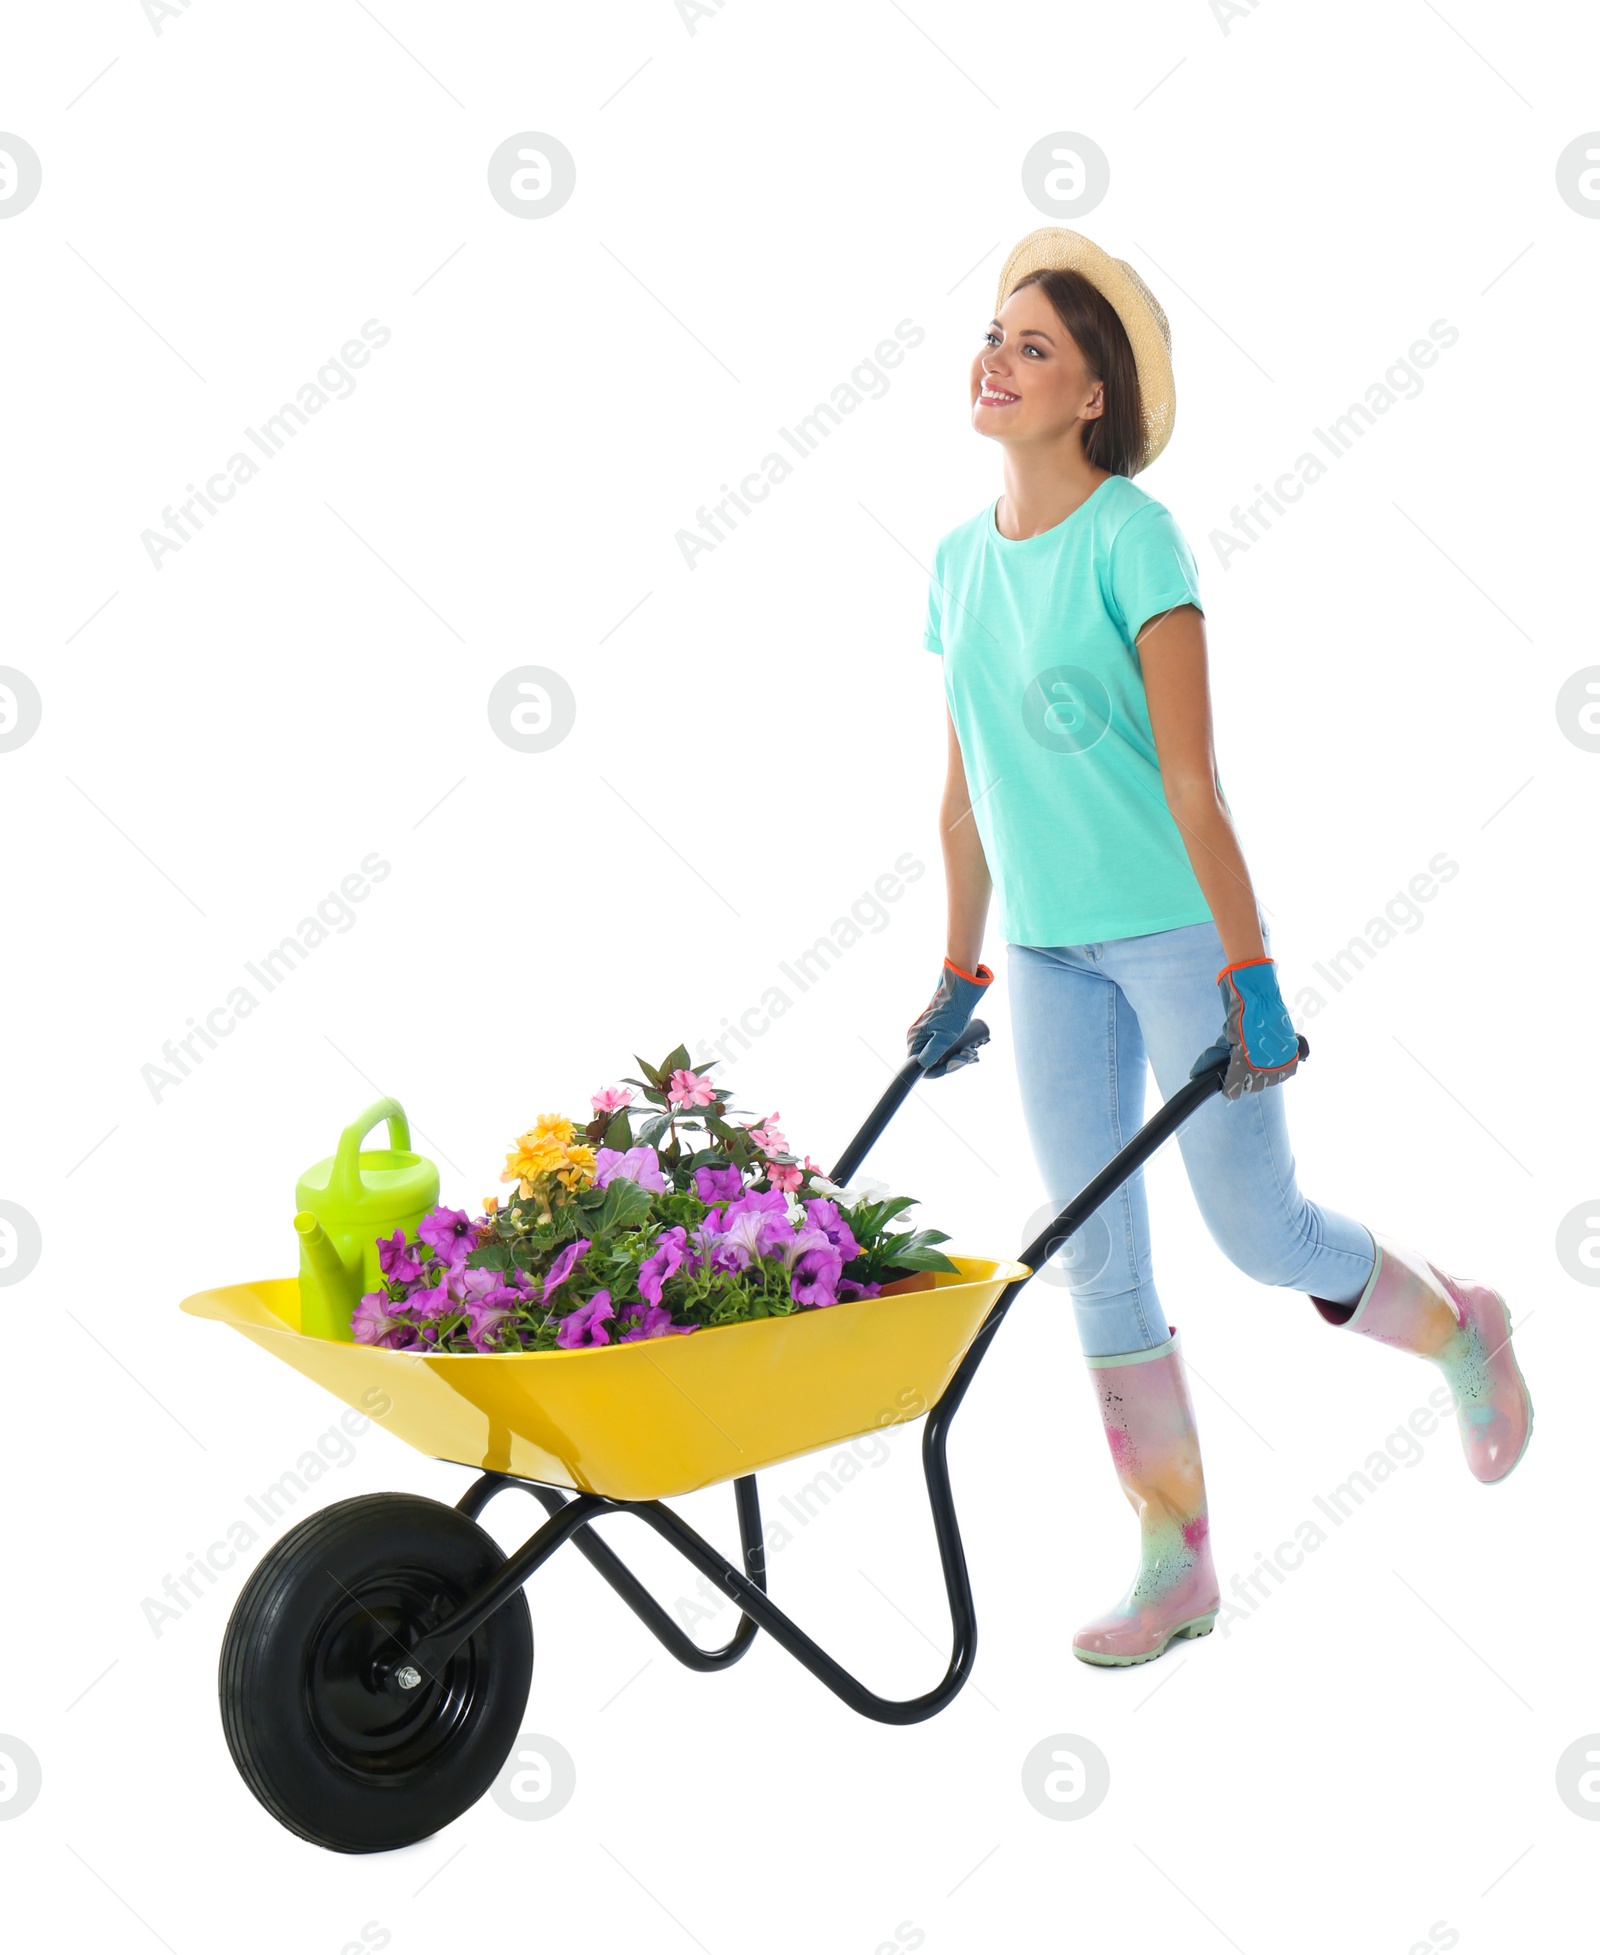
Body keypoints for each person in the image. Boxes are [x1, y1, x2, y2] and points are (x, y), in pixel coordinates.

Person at [907, 227, 1532, 1669]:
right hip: (1051, 956)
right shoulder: (953, 565)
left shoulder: (1136, 537)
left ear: (1093, 401)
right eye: (994, 333)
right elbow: (961, 798)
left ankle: (1463, 1330)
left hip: (1180, 936)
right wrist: (959, 971)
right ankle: (1173, 1563)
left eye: (1035, 346)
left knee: (1259, 1233)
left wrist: (1250, 973)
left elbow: (1192, 781)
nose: (994, 359)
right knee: (1097, 1263)